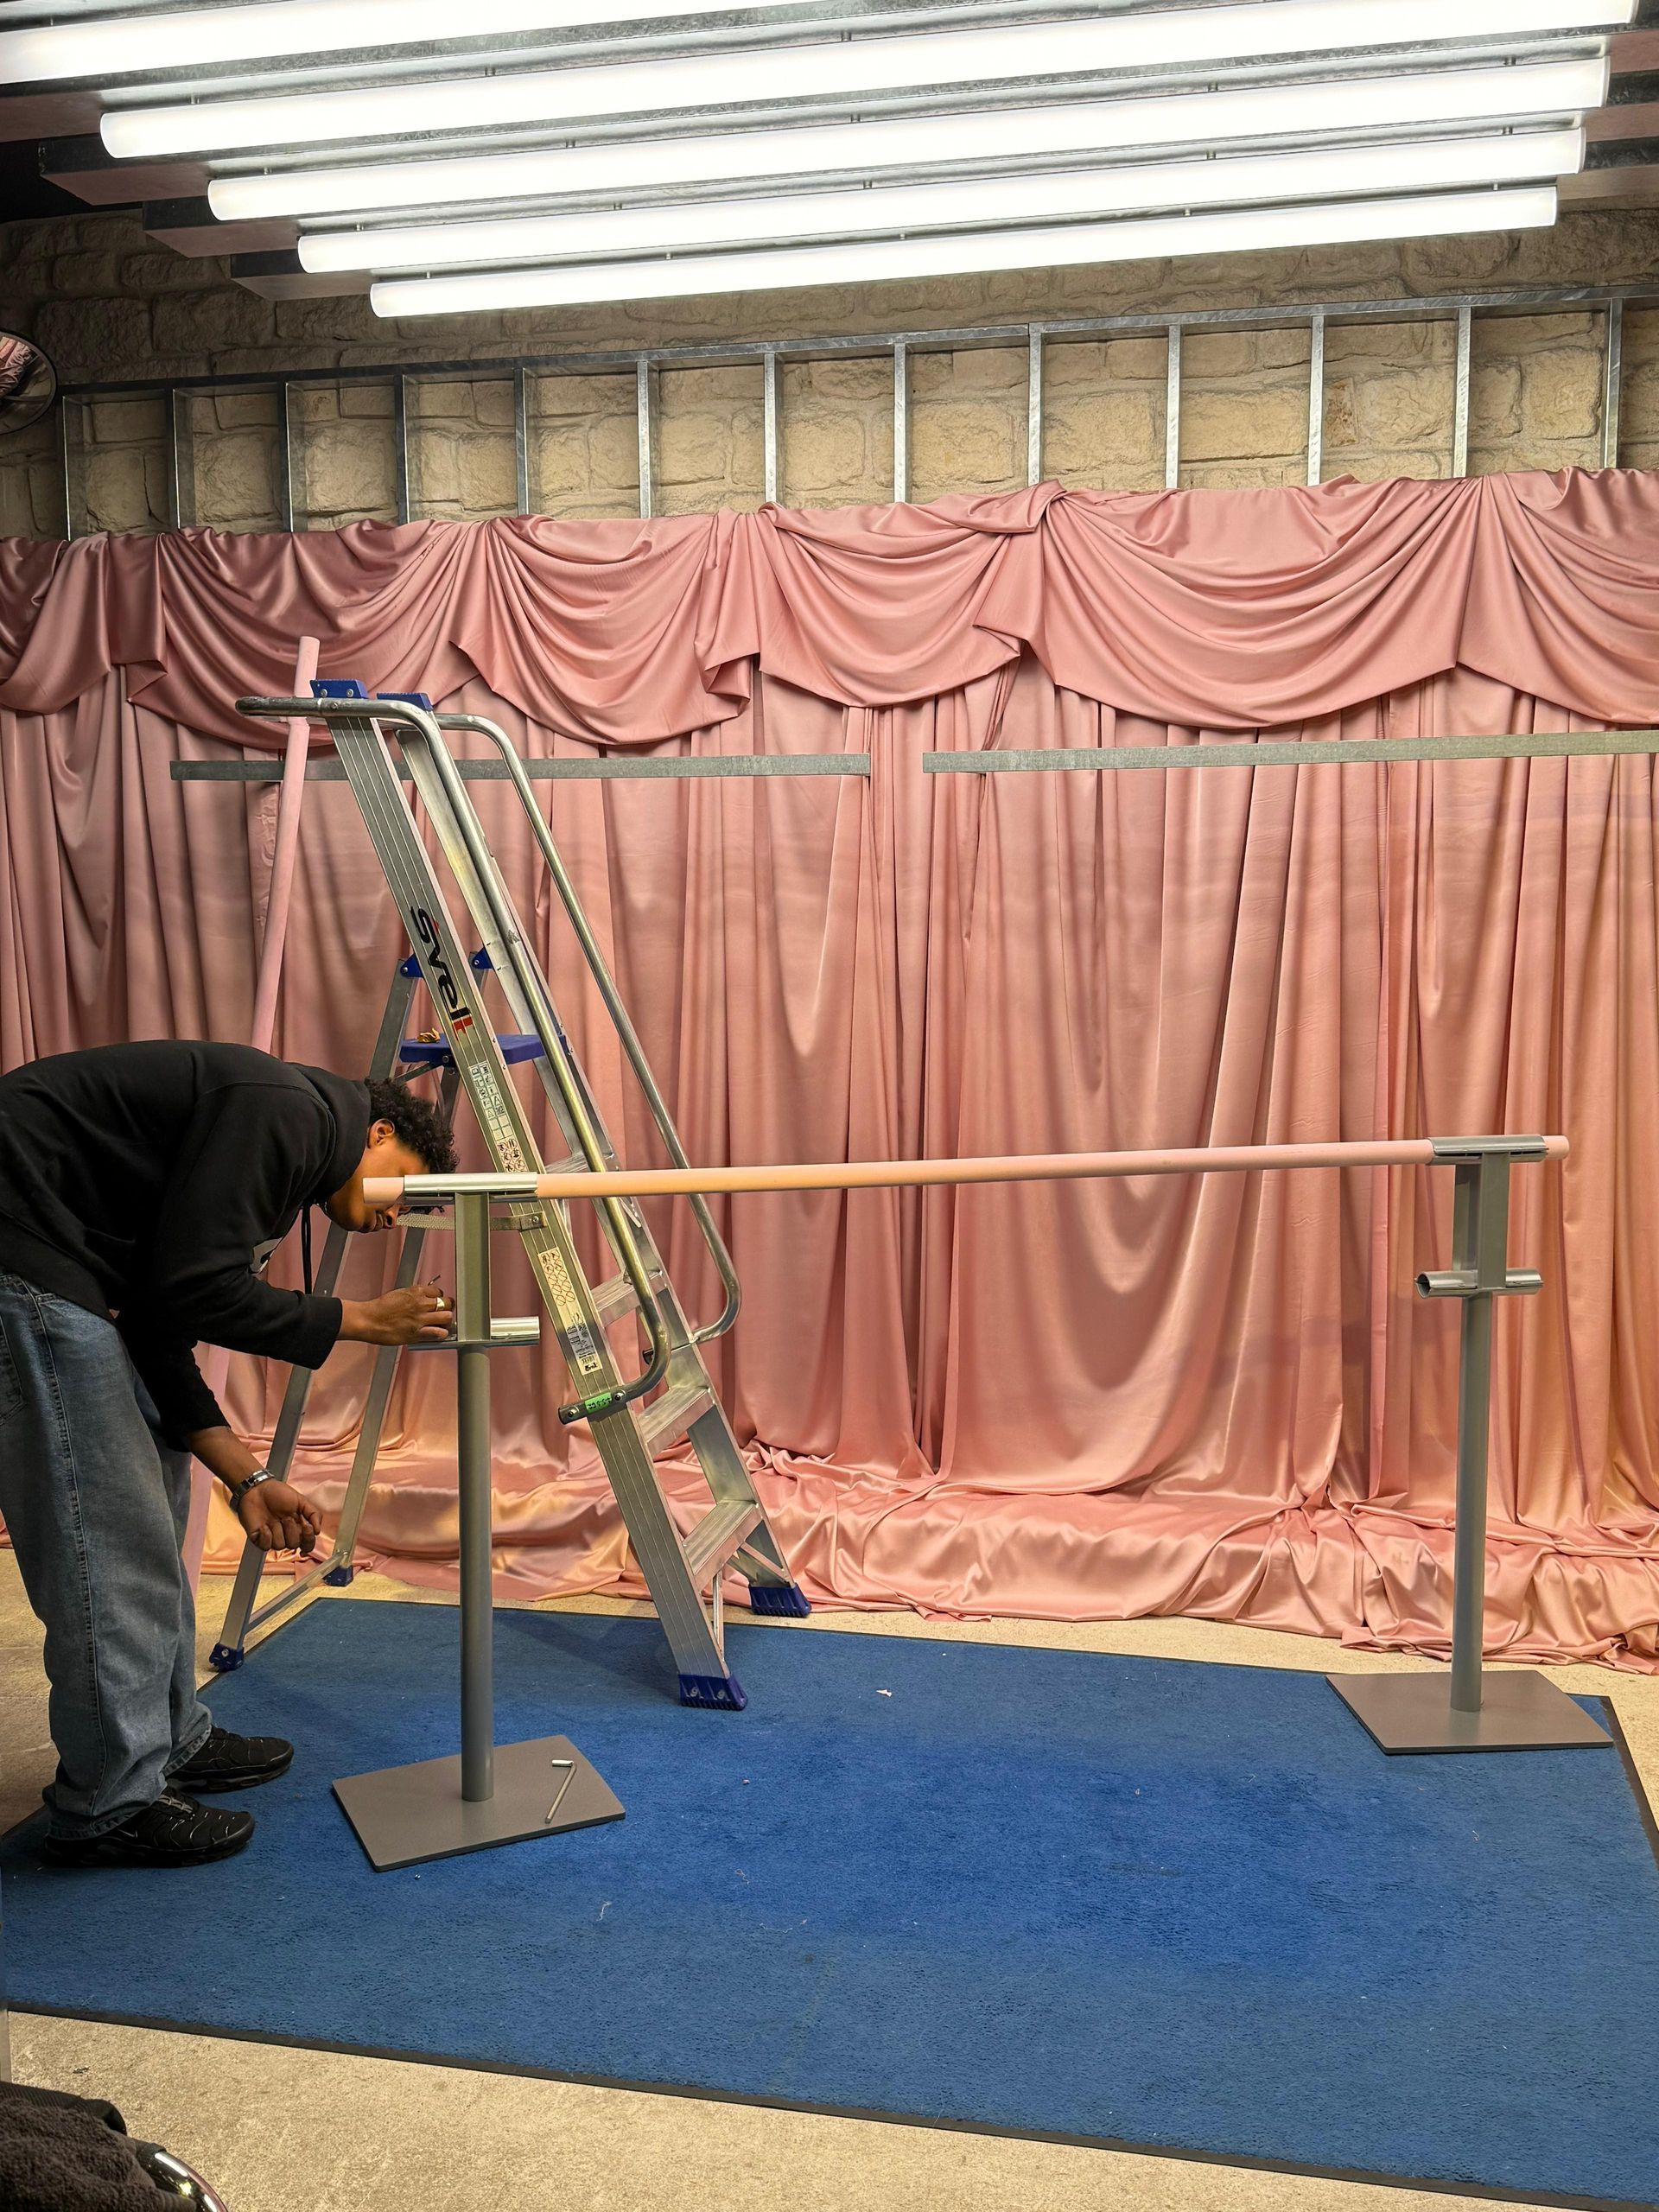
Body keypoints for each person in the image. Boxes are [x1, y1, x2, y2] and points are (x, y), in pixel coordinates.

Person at [0, 1040, 459, 1869]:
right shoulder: (287, 1112)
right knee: (110, 1539)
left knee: (154, 1513)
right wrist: (359, 1319)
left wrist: (247, 1476)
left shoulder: (290, 1153)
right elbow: (197, 1290)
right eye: (406, 1187)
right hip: (19, 1249)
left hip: (59, 1258)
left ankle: (167, 1736)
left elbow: (160, 1317)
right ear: (380, 1132)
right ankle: (109, 1801)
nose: (399, 1215)